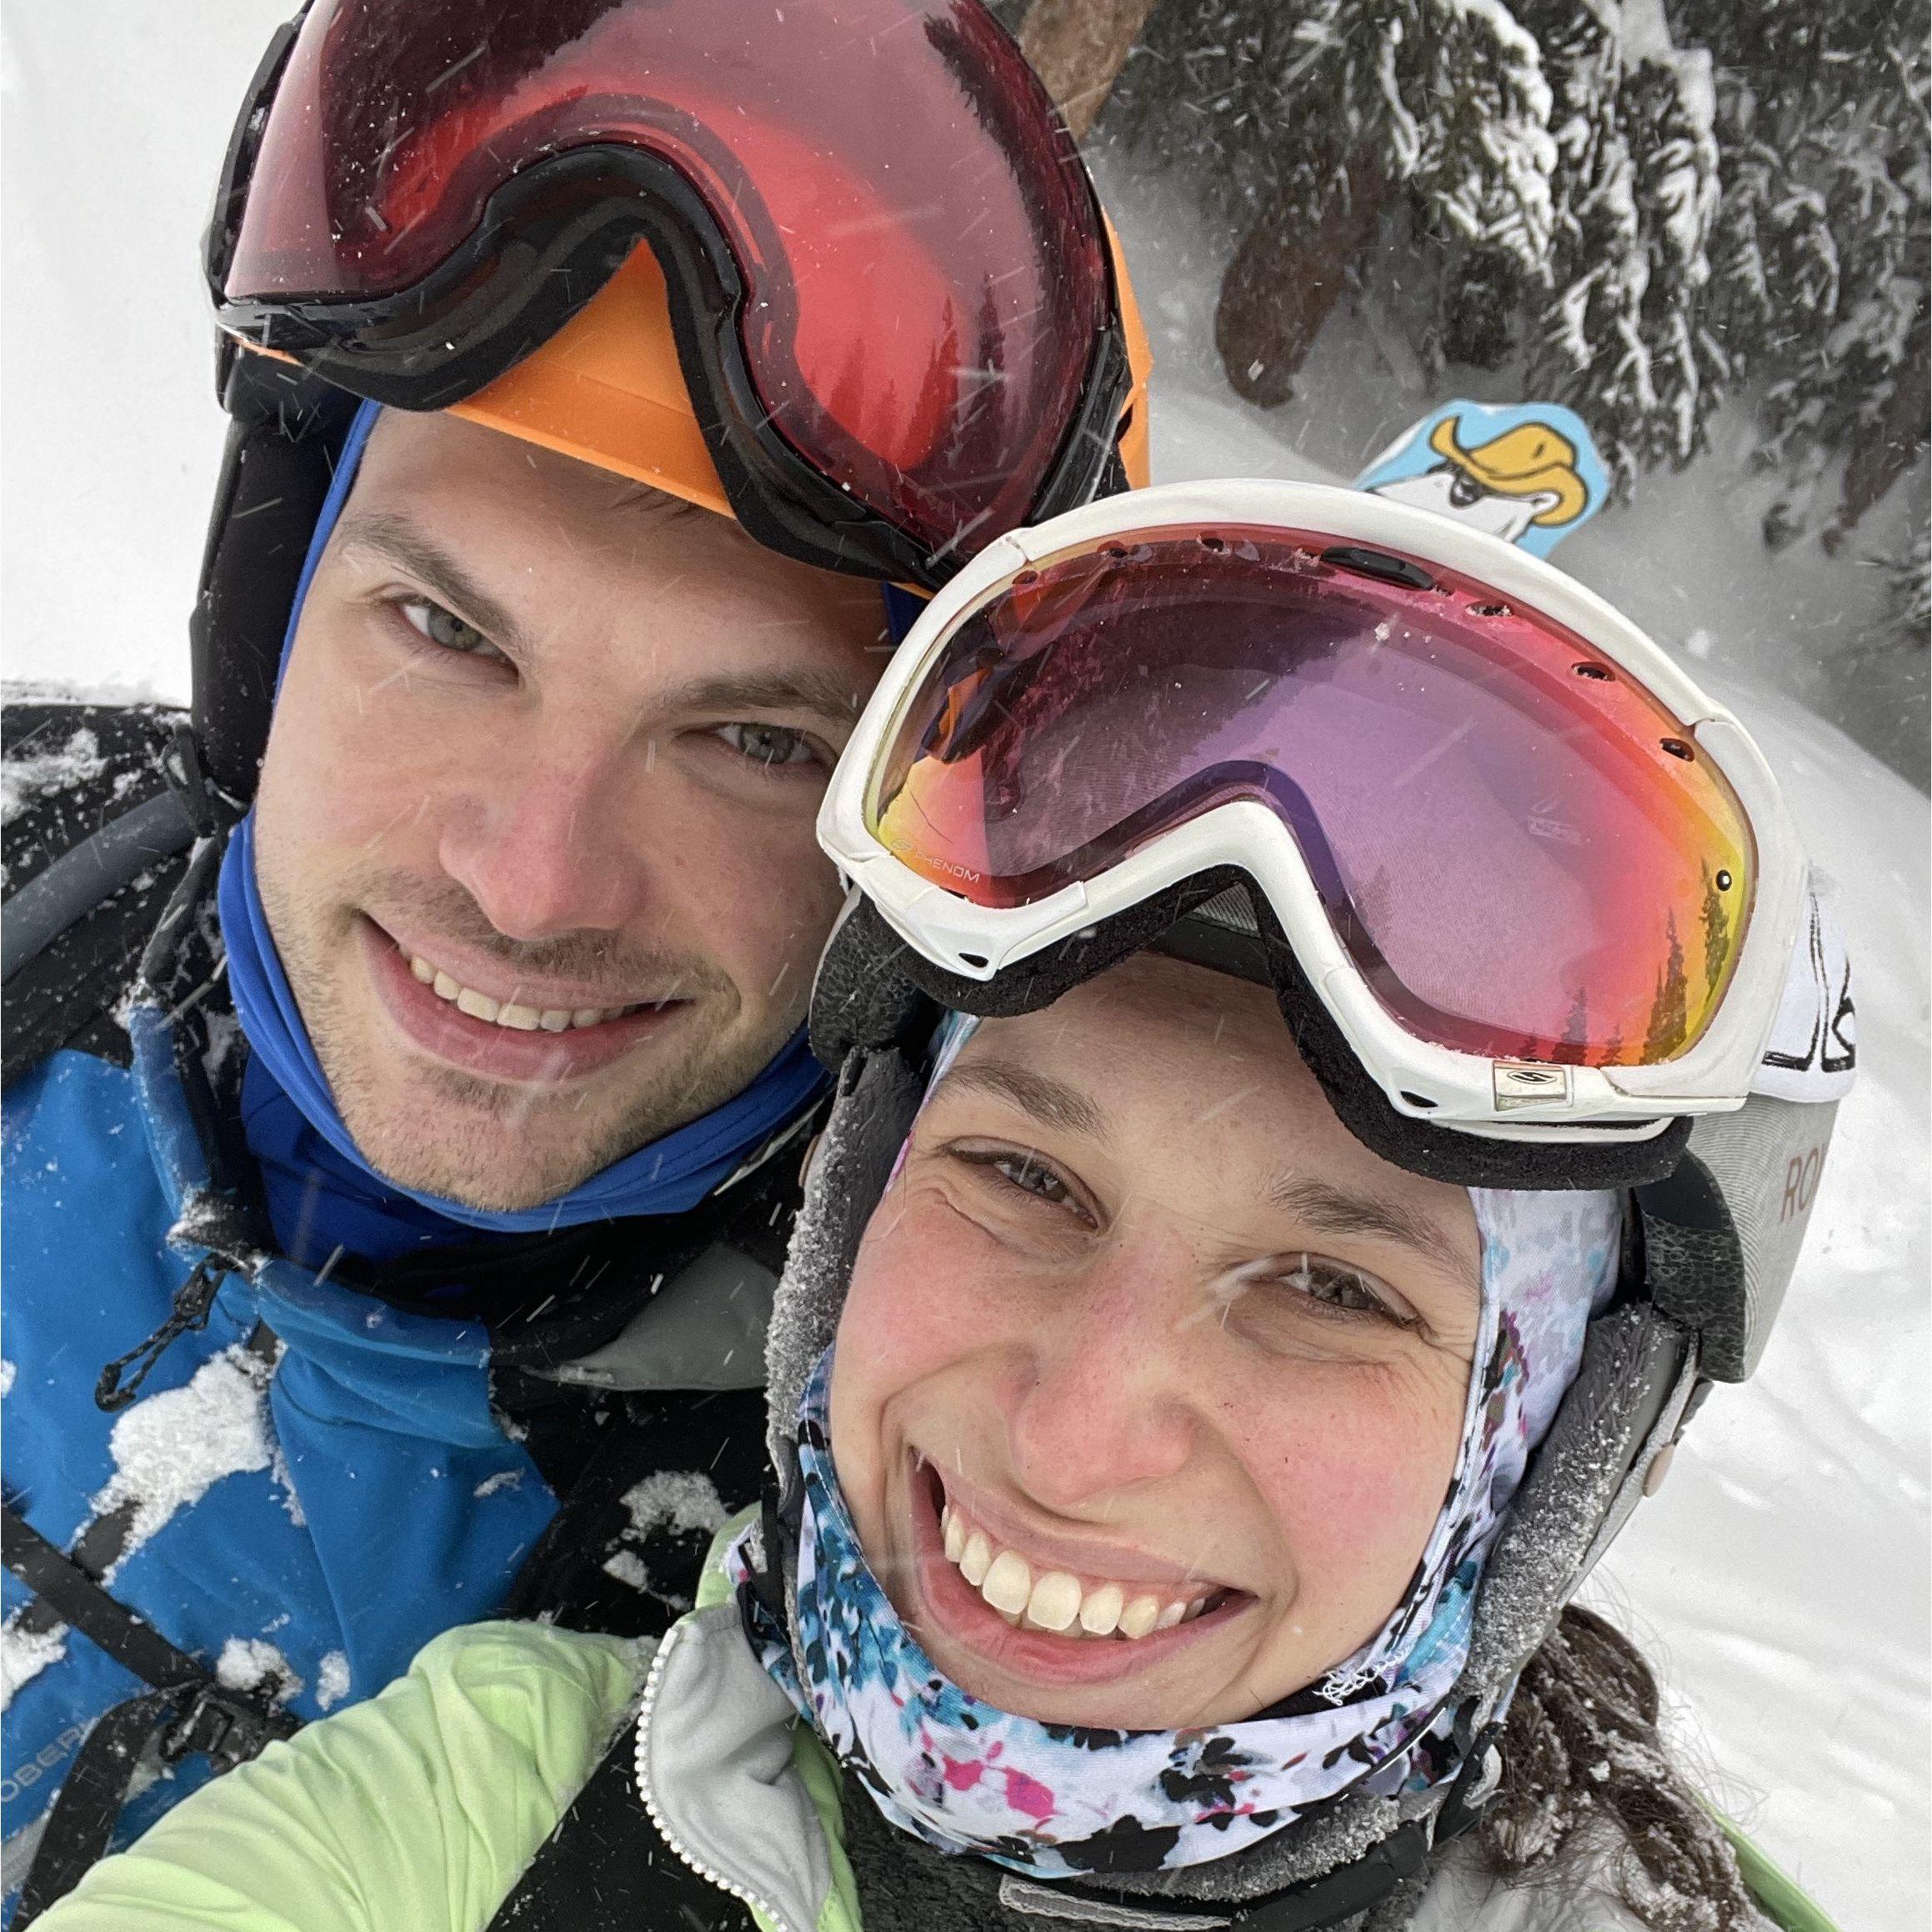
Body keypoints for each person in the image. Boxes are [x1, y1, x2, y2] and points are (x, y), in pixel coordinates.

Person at [33, 483, 1853, 1932]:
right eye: (1021, 1174)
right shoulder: (503, 1798)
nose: (1075, 1428)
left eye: (1328, 1283)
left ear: (1558, 1446)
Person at [0, 0, 1152, 1907]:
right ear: (267, 607)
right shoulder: (25, 875)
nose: (533, 883)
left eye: (754, 741)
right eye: (446, 631)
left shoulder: (901, 1554)